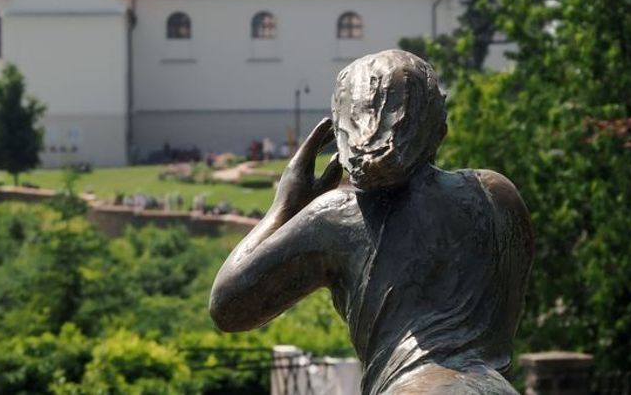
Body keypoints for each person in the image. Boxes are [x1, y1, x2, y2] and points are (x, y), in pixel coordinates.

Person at [210, 50, 533, 394]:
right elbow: (501, 336)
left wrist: (284, 207)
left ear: (341, 135)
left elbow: (228, 307)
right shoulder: (494, 194)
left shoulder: (334, 216)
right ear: (439, 127)